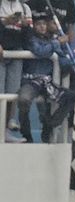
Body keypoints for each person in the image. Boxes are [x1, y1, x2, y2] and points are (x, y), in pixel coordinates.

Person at [17, 17, 75, 143]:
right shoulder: (30, 39)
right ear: (34, 26)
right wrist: (56, 43)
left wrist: (69, 63)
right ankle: (26, 134)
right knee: (23, 100)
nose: (42, 27)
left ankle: (50, 125)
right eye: (38, 24)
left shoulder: (53, 40)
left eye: (44, 24)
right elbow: (40, 51)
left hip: (47, 83)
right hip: (31, 81)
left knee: (70, 97)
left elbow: (62, 57)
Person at [0, 0, 32, 143]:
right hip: (2, 52)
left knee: (12, 93)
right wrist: (5, 22)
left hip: (17, 53)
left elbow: (29, 37)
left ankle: (5, 130)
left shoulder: (25, 9)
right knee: (0, 93)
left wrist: (25, 26)